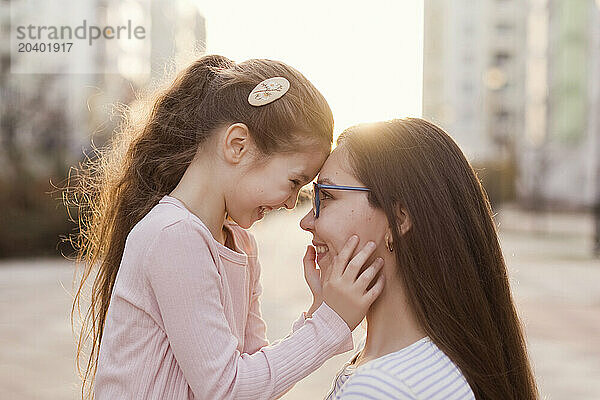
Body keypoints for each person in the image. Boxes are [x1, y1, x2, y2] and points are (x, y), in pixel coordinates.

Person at [68, 55, 385, 400]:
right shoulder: (173, 235)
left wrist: (319, 313)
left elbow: (254, 376)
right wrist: (330, 322)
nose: (293, 203)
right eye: (295, 181)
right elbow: (228, 388)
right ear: (237, 145)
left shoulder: (241, 244)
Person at [300, 118, 539, 399]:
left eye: (325, 196)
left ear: (398, 217)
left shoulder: (380, 387)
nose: (306, 221)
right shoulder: (437, 360)